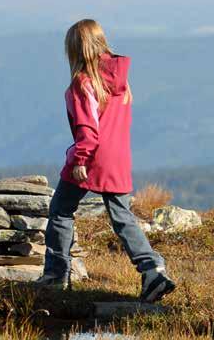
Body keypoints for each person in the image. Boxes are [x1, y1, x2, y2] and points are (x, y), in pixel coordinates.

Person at [36, 19, 175, 302]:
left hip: (91, 158)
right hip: (119, 157)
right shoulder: (120, 81)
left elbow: (88, 129)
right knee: (123, 217)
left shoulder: (83, 82)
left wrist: (80, 160)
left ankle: (55, 275)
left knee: (61, 210)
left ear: (74, 48)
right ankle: (152, 271)